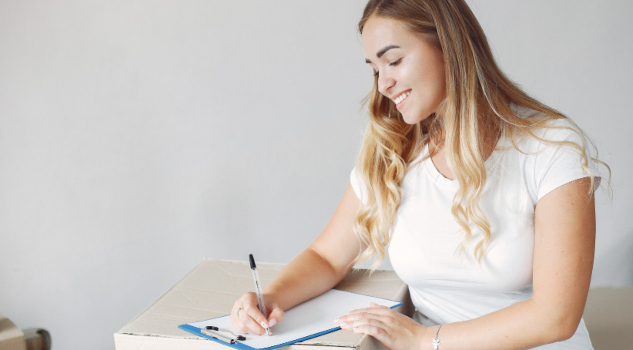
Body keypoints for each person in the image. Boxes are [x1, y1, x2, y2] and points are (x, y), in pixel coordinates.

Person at [231, 0, 607, 349]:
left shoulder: (550, 146)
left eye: (393, 62)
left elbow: (555, 317)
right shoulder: (395, 152)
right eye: (375, 69)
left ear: (449, 46)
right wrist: (270, 298)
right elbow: (327, 258)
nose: (383, 85)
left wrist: (427, 341)